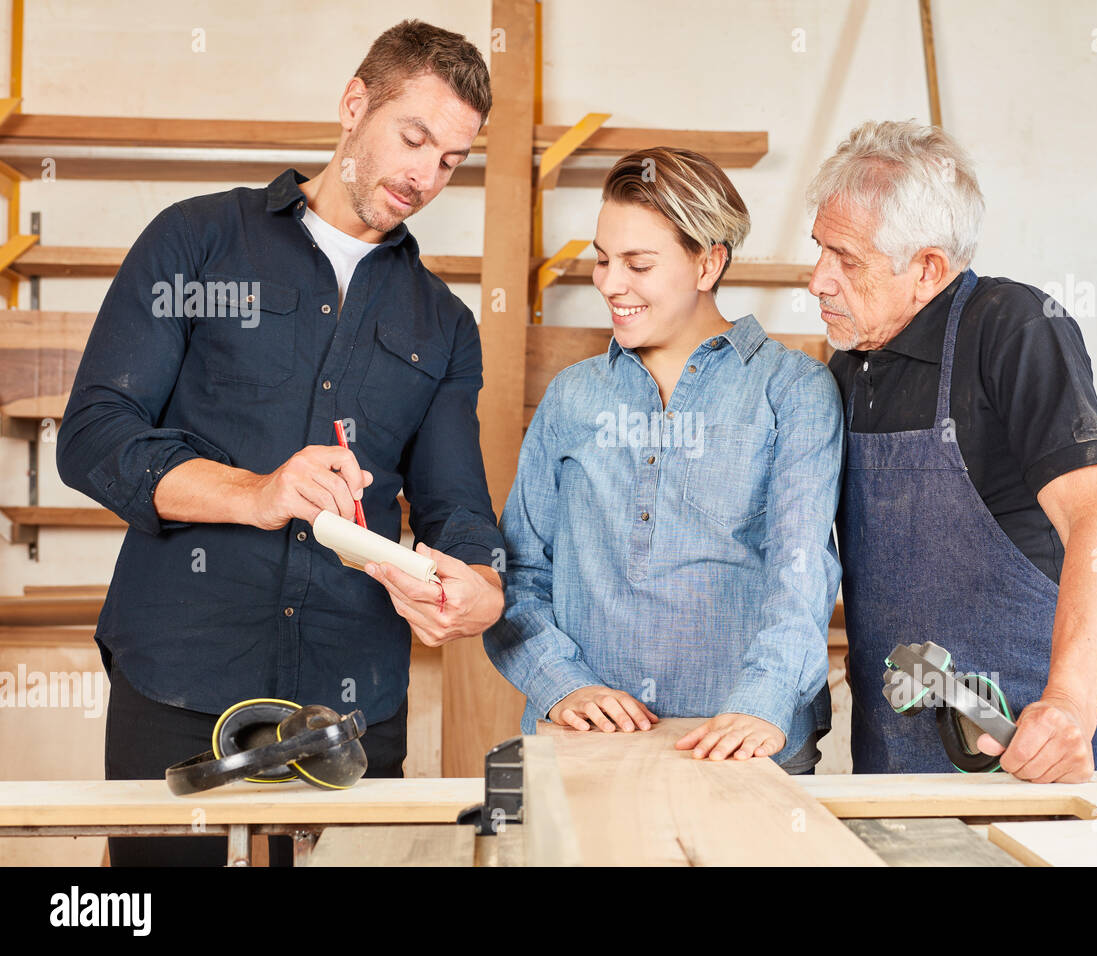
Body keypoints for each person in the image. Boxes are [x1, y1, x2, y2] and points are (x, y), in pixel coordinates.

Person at [56, 20, 505, 865]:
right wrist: (256, 494)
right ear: (353, 104)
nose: (425, 175)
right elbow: (92, 436)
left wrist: (479, 585)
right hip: (181, 676)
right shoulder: (196, 240)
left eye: (451, 160)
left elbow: (458, 510)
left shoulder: (444, 323)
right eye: (413, 138)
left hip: (353, 703)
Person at [484, 147, 843, 773]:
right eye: (601, 259)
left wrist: (765, 702)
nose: (609, 283)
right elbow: (518, 570)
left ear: (709, 263)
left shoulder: (793, 390)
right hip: (587, 748)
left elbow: (802, 570)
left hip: (747, 750)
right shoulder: (574, 396)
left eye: (637, 264)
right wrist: (561, 683)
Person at [809, 120, 1097, 782]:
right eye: (819, 251)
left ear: (927, 268)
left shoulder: (1012, 328)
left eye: (846, 259)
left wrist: (1070, 705)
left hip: (1025, 746)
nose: (818, 280)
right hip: (893, 756)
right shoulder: (847, 370)